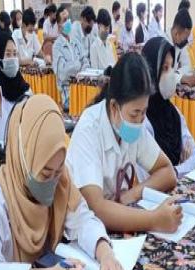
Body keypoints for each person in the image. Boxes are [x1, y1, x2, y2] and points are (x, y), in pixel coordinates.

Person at [0, 94, 128, 270]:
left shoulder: (61, 182)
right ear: (23, 159)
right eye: (45, 174)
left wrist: (105, 253)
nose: (53, 182)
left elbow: (83, 220)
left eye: (58, 171)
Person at [66, 53, 180, 234]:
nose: (140, 121)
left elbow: (167, 172)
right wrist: (154, 219)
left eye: (144, 112)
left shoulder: (133, 124)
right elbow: (97, 208)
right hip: (87, 230)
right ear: (114, 107)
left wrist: (132, 194)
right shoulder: (89, 129)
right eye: (134, 114)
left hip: (120, 218)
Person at [143, 37, 195, 178]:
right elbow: (148, 177)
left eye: (172, 67)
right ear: (151, 72)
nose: (171, 74)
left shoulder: (174, 113)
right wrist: (183, 166)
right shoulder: (141, 117)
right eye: (165, 68)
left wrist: (173, 172)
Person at [0, 31, 32, 140]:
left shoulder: (24, 89)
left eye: (15, 54)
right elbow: (0, 134)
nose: (12, 59)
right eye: (8, 54)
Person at [53, 7, 88, 110]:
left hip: (82, 89)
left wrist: (81, 73)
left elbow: (86, 61)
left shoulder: (75, 41)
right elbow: (63, 74)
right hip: (68, 95)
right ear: (59, 25)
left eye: (69, 18)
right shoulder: (57, 46)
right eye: (65, 20)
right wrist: (78, 65)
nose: (68, 22)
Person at [167, 10, 195, 87]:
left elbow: (187, 66)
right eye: (185, 38)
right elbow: (163, 76)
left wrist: (178, 74)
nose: (186, 41)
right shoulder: (163, 43)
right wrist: (181, 78)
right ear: (176, 33)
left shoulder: (180, 43)